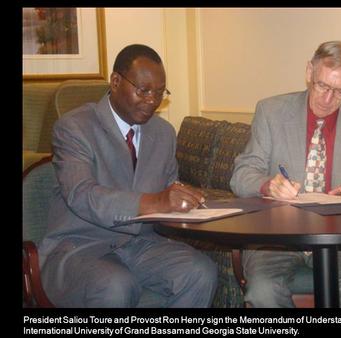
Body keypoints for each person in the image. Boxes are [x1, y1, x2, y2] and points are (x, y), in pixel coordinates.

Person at [38, 44, 218, 308]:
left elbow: (167, 185)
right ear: (115, 81)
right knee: (116, 284)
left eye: (159, 93)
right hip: (80, 246)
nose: (152, 101)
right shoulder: (74, 127)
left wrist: (185, 198)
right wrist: (156, 201)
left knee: (200, 271)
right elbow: (81, 194)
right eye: (143, 90)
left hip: (142, 244)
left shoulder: (163, 133)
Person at [230, 41, 341, 307]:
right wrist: (268, 186)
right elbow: (241, 174)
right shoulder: (271, 111)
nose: (327, 99)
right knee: (263, 289)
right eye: (322, 85)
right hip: (277, 239)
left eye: (340, 91)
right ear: (309, 71)